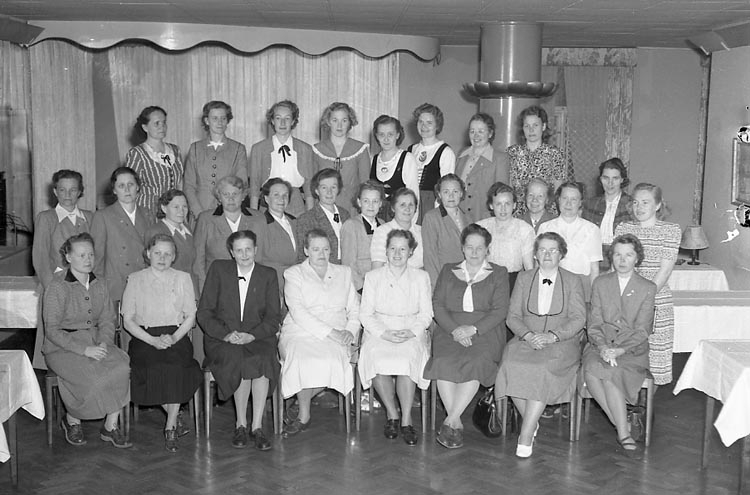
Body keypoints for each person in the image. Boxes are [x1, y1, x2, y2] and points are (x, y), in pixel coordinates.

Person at [494, 232, 586, 458]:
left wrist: (553, 336)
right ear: (535, 254)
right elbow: (513, 316)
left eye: (553, 250)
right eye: (542, 250)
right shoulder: (524, 278)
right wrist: (527, 335)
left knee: (541, 369)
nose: (547, 254)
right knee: (510, 364)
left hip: (561, 342)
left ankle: (525, 435)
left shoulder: (573, 280)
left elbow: (579, 318)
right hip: (527, 338)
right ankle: (531, 422)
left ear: (561, 254)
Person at [423, 224, 510, 449]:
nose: (474, 252)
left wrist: (473, 329)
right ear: (462, 248)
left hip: (485, 331)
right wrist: (454, 330)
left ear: (488, 249)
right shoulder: (448, 270)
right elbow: (437, 305)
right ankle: (455, 422)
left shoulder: (499, 273)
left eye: (479, 248)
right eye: (469, 247)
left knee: (475, 361)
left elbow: (500, 310)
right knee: (444, 361)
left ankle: (451, 420)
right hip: (449, 329)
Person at [42, 233, 131, 448]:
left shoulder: (100, 284)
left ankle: (110, 426)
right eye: (81, 255)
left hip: (96, 341)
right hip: (62, 348)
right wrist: (84, 350)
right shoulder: (57, 286)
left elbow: (108, 319)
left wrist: (104, 342)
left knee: (121, 367)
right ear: (68, 257)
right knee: (94, 377)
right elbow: (52, 330)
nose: (88, 259)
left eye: (90, 254)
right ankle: (72, 420)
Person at [197, 230, 281, 450]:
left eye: (248, 249)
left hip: (258, 337)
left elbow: (273, 318)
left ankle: (257, 426)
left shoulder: (268, 275)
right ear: (231, 252)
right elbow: (204, 312)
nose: (244, 254)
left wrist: (252, 335)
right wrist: (226, 334)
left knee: (262, 358)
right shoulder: (219, 270)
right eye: (239, 250)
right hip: (223, 338)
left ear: (256, 250)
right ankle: (241, 424)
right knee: (238, 358)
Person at [121, 233, 202, 452]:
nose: (162, 258)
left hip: (176, 336)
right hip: (144, 338)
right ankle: (175, 418)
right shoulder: (135, 279)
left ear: (174, 256)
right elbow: (128, 320)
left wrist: (174, 337)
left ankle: (170, 426)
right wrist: (152, 340)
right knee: (154, 367)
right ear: (148, 253)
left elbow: (191, 316)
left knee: (176, 367)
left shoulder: (183, 278)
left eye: (168, 254)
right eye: (157, 253)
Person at [279, 229, 360, 436]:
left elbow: (354, 309)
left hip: (339, 330)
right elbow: (298, 312)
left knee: (333, 360)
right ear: (306, 250)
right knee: (301, 358)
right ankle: (303, 415)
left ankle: (300, 401)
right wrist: (331, 333)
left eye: (325, 249)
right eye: (315, 249)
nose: (321, 254)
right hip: (299, 330)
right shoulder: (293, 273)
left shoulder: (344, 273)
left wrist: (350, 331)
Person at [582, 234, 656, 452]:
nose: (622, 260)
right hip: (600, 343)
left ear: (637, 258)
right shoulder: (601, 282)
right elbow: (594, 322)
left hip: (631, 349)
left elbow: (643, 329)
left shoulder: (647, 287)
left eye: (628, 255)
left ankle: (622, 431)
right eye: (617, 255)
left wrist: (619, 350)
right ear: (611, 257)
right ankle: (623, 425)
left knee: (610, 375)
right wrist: (604, 347)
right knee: (592, 369)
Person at [359, 230, 433, 446]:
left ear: (411, 252)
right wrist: (384, 333)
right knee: (375, 356)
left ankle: (407, 419)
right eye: (393, 248)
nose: (397, 253)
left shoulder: (421, 277)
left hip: (410, 329)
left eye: (403, 249)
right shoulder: (373, 277)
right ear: (386, 250)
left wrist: (412, 331)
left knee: (407, 359)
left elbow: (426, 314)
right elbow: (365, 314)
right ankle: (392, 414)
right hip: (379, 329)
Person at [615, 183, 681, 386]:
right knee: (625, 353)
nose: (639, 207)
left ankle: (646, 402)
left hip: (655, 299)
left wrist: (642, 300)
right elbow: (617, 265)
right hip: (624, 299)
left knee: (654, 359)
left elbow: (665, 270)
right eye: (635, 202)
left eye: (645, 202)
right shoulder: (624, 228)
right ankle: (627, 399)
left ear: (658, 205)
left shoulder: (670, 230)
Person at [32, 170, 94, 368]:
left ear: (80, 192)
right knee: (57, 339)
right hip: (57, 287)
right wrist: (53, 288)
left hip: (85, 287)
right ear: (55, 192)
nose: (68, 195)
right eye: (62, 190)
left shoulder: (89, 217)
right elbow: (40, 258)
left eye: (73, 190)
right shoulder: (46, 218)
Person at [91, 167, 152, 303]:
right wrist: (98, 290)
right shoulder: (103, 216)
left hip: (144, 285)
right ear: (114, 190)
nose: (127, 190)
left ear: (138, 187)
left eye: (131, 184)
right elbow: (97, 259)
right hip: (117, 288)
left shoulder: (147, 214)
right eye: (121, 186)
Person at [248, 100, 315, 217]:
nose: (283, 123)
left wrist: (310, 215)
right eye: (278, 118)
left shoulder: (305, 149)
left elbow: (309, 186)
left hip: (296, 204)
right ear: (272, 121)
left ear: (293, 121)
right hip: (268, 201)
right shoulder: (259, 148)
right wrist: (254, 215)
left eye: (287, 118)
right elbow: (254, 185)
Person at [193, 176, 259, 291]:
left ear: (243, 196)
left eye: (235, 194)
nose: (231, 198)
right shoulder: (205, 219)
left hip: (250, 284)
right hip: (216, 284)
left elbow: (262, 256)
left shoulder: (257, 218)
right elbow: (198, 259)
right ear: (219, 197)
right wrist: (204, 289)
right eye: (226, 194)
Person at [538, 181, 602, 300]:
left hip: (582, 286)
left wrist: (595, 298)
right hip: (552, 283)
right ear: (558, 200)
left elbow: (594, 269)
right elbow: (539, 263)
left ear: (580, 202)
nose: (568, 203)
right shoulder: (545, 228)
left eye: (574, 199)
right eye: (565, 198)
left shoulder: (592, 230)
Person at [183, 101, 249, 215]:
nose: (220, 122)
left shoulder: (238, 149)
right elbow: (189, 185)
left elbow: (241, 184)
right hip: (200, 209)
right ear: (206, 121)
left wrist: (229, 208)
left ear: (227, 121)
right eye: (215, 118)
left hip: (228, 210)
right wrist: (198, 212)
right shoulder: (195, 148)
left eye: (223, 118)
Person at [507, 105, 570, 215]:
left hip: (546, 213)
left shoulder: (554, 153)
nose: (531, 130)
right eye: (527, 126)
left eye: (535, 125)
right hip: (518, 214)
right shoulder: (512, 153)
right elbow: (509, 186)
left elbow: (558, 188)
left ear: (543, 126)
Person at [125, 106, 183, 219]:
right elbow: (130, 187)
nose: (162, 127)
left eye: (164, 122)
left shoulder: (175, 150)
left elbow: (180, 183)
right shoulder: (137, 153)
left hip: (173, 212)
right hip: (148, 212)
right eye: (157, 123)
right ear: (145, 127)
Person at [312, 102, 371, 211]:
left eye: (344, 120)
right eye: (335, 120)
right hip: (324, 208)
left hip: (352, 208)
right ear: (328, 122)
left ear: (350, 122)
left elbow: (365, 185)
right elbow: (313, 186)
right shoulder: (317, 150)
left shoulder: (360, 149)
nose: (339, 126)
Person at [477, 182, 535, 290]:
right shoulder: (481, 228)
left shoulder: (524, 229)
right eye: (498, 204)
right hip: (486, 281)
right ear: (491, 206)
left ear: (514, 205)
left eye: (507, 204)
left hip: (514, 282)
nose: (503, 209)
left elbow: (529, 267)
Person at [249, 178, 298, 304]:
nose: (281, 199)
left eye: (285, 195)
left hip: (296, 283)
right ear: (266, 198)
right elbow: (255, 261)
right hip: (272, 285)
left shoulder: (294, 222)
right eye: (276, 195)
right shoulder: (259, 224)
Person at [455, 113, 510, 223]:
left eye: (480, 131)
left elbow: (501, 194)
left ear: (490, 133)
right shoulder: (461, 155)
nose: (476, 136)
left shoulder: (500, 158)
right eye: (472, 131)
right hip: (460, 219)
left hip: (485, 220)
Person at [407, 103, 456, 222]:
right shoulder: (411, 150)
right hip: (410, 203)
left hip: (431, 205)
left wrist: (439, 213)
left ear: (437, 125)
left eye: (429, 122)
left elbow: (446, 187)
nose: (424, 126)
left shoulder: (445, 151)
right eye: (420, 122)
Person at [582, 158, 633, 269]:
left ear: (622, 179)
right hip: (594, 259)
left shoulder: (631, 205)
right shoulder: (590, 204)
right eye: (606, 178)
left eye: (615, 178)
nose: (610, 183)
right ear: (600, 179)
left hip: (621, 259)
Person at [294, 168, 350, 264]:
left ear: (338, 190)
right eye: (324, 188)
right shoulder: (306, 219)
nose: (329, 192)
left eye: (333, 187)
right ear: (316, 190)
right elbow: (302, 257)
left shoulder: (345, 215)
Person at [422, 174, 469, 288]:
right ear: (439, 194)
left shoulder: (468, 218)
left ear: (461, 193)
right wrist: (437, 285)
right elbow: (430, 256)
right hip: (444, 279)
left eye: (455, 191)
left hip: (466, 278)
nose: (451, 196)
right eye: (446, 192)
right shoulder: (431, 217)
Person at [369, 114, 419, 221]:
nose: (386, 139)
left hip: (400, 219)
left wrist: (411, 224)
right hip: (377, 220)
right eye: (381, 134)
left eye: (390, 134)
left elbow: (414, 195)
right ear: (376, 136)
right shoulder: (374, 159)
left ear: (397, 135)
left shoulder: (407, 158)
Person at [144, 189, 196, 290]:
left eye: (184, 206)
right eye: (176, 207)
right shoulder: (156, 231)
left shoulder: (187, 230)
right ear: (164, 208)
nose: (181, 211)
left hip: (189, 287)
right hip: (167, 289)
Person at [340, 180, 385, 292]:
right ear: (359, 202)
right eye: (366, 201)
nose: (371, 205)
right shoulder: (351, 225)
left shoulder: (384, 225)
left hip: (383, 285)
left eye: (375, 201)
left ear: (380, 203)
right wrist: (361, 289)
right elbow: (349, 263)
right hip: (361, 287)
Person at [370, 187, 423, 270]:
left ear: (416, 208)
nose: (407, 209)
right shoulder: (382, 232)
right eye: (402, 205)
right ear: (393, 208)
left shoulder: (422, 232)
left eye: (411, 205)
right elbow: (377, 268)